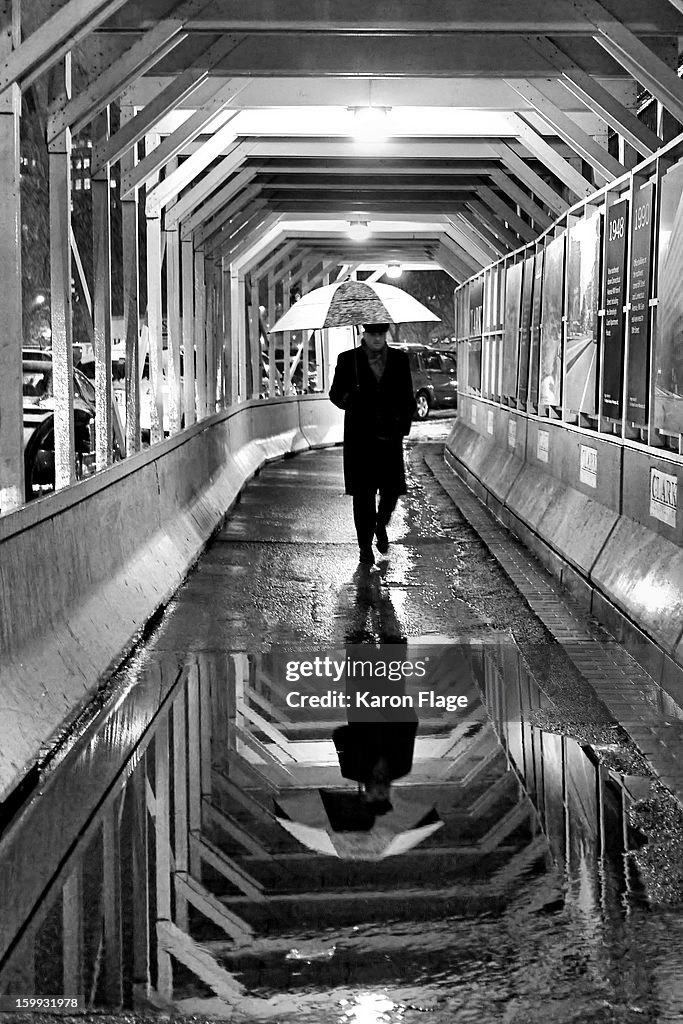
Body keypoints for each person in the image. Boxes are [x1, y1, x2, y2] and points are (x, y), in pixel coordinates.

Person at [329, 323, 416, 565]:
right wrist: (350, 397)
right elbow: (335, 394)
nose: (377, 339)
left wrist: (402, 426)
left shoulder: (399, 359)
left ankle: (380, 523)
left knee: (391, 491)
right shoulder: (348, 360)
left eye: (381, 334)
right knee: (363, 496)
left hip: (390, 437)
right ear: (363, 334)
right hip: (361, 438)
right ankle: (364, 546)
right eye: (372, 334)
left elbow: (407, 396)